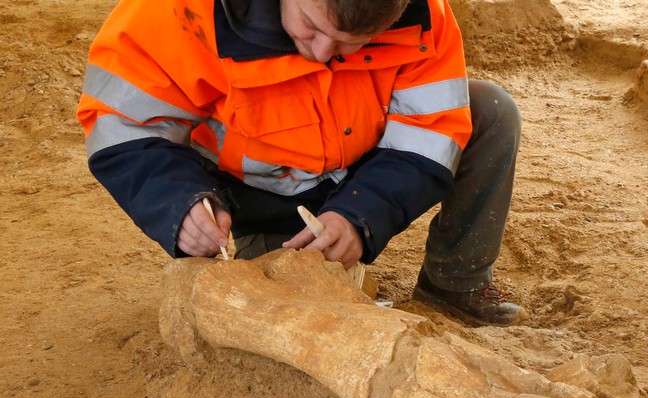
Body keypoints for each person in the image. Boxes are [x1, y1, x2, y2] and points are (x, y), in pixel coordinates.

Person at [77, 0, 527, 326]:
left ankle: (454, 283)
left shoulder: (425, 15)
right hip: (254, 193)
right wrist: (180, 205)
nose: (322, 52)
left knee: (489, 110)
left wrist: (360, 217)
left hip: (360, 176)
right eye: (311, 25)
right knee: (290, 317)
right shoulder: (179, 10)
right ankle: (268, 246)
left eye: (355, 43)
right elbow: (125, 127)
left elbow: (431, 134)